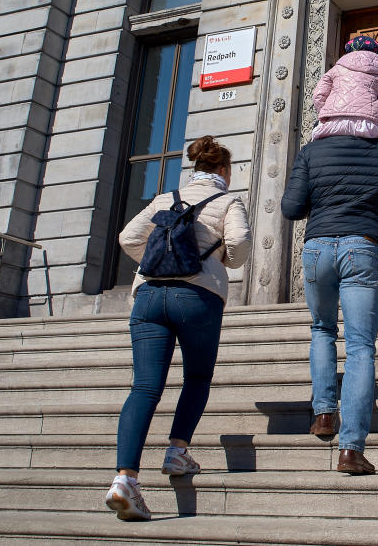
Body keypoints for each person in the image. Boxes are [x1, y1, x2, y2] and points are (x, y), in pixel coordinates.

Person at [104, 136, 251, 520]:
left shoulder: (165, 198)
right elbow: (240, 243)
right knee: (197, 378)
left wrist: (158, 261)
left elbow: (128, 237)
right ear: (222, 171)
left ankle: (125, 480)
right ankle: (177, 451)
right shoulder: (227, 201)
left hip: (149, 295)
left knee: (144, 387)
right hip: (196, 298)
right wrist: (218, 261)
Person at [281, 99, 378, 475]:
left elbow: (292, 207)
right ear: (375, 108)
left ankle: (324, 414)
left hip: (317, 249)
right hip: (362, 246)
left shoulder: (312, 151)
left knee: (322, 329)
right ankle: (351, 450)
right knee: (361, 347)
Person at [311, 34, 378, 141]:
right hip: (368, 125)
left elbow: (318, 94)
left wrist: (327, 113)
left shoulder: (335, 70)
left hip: (335, 123)